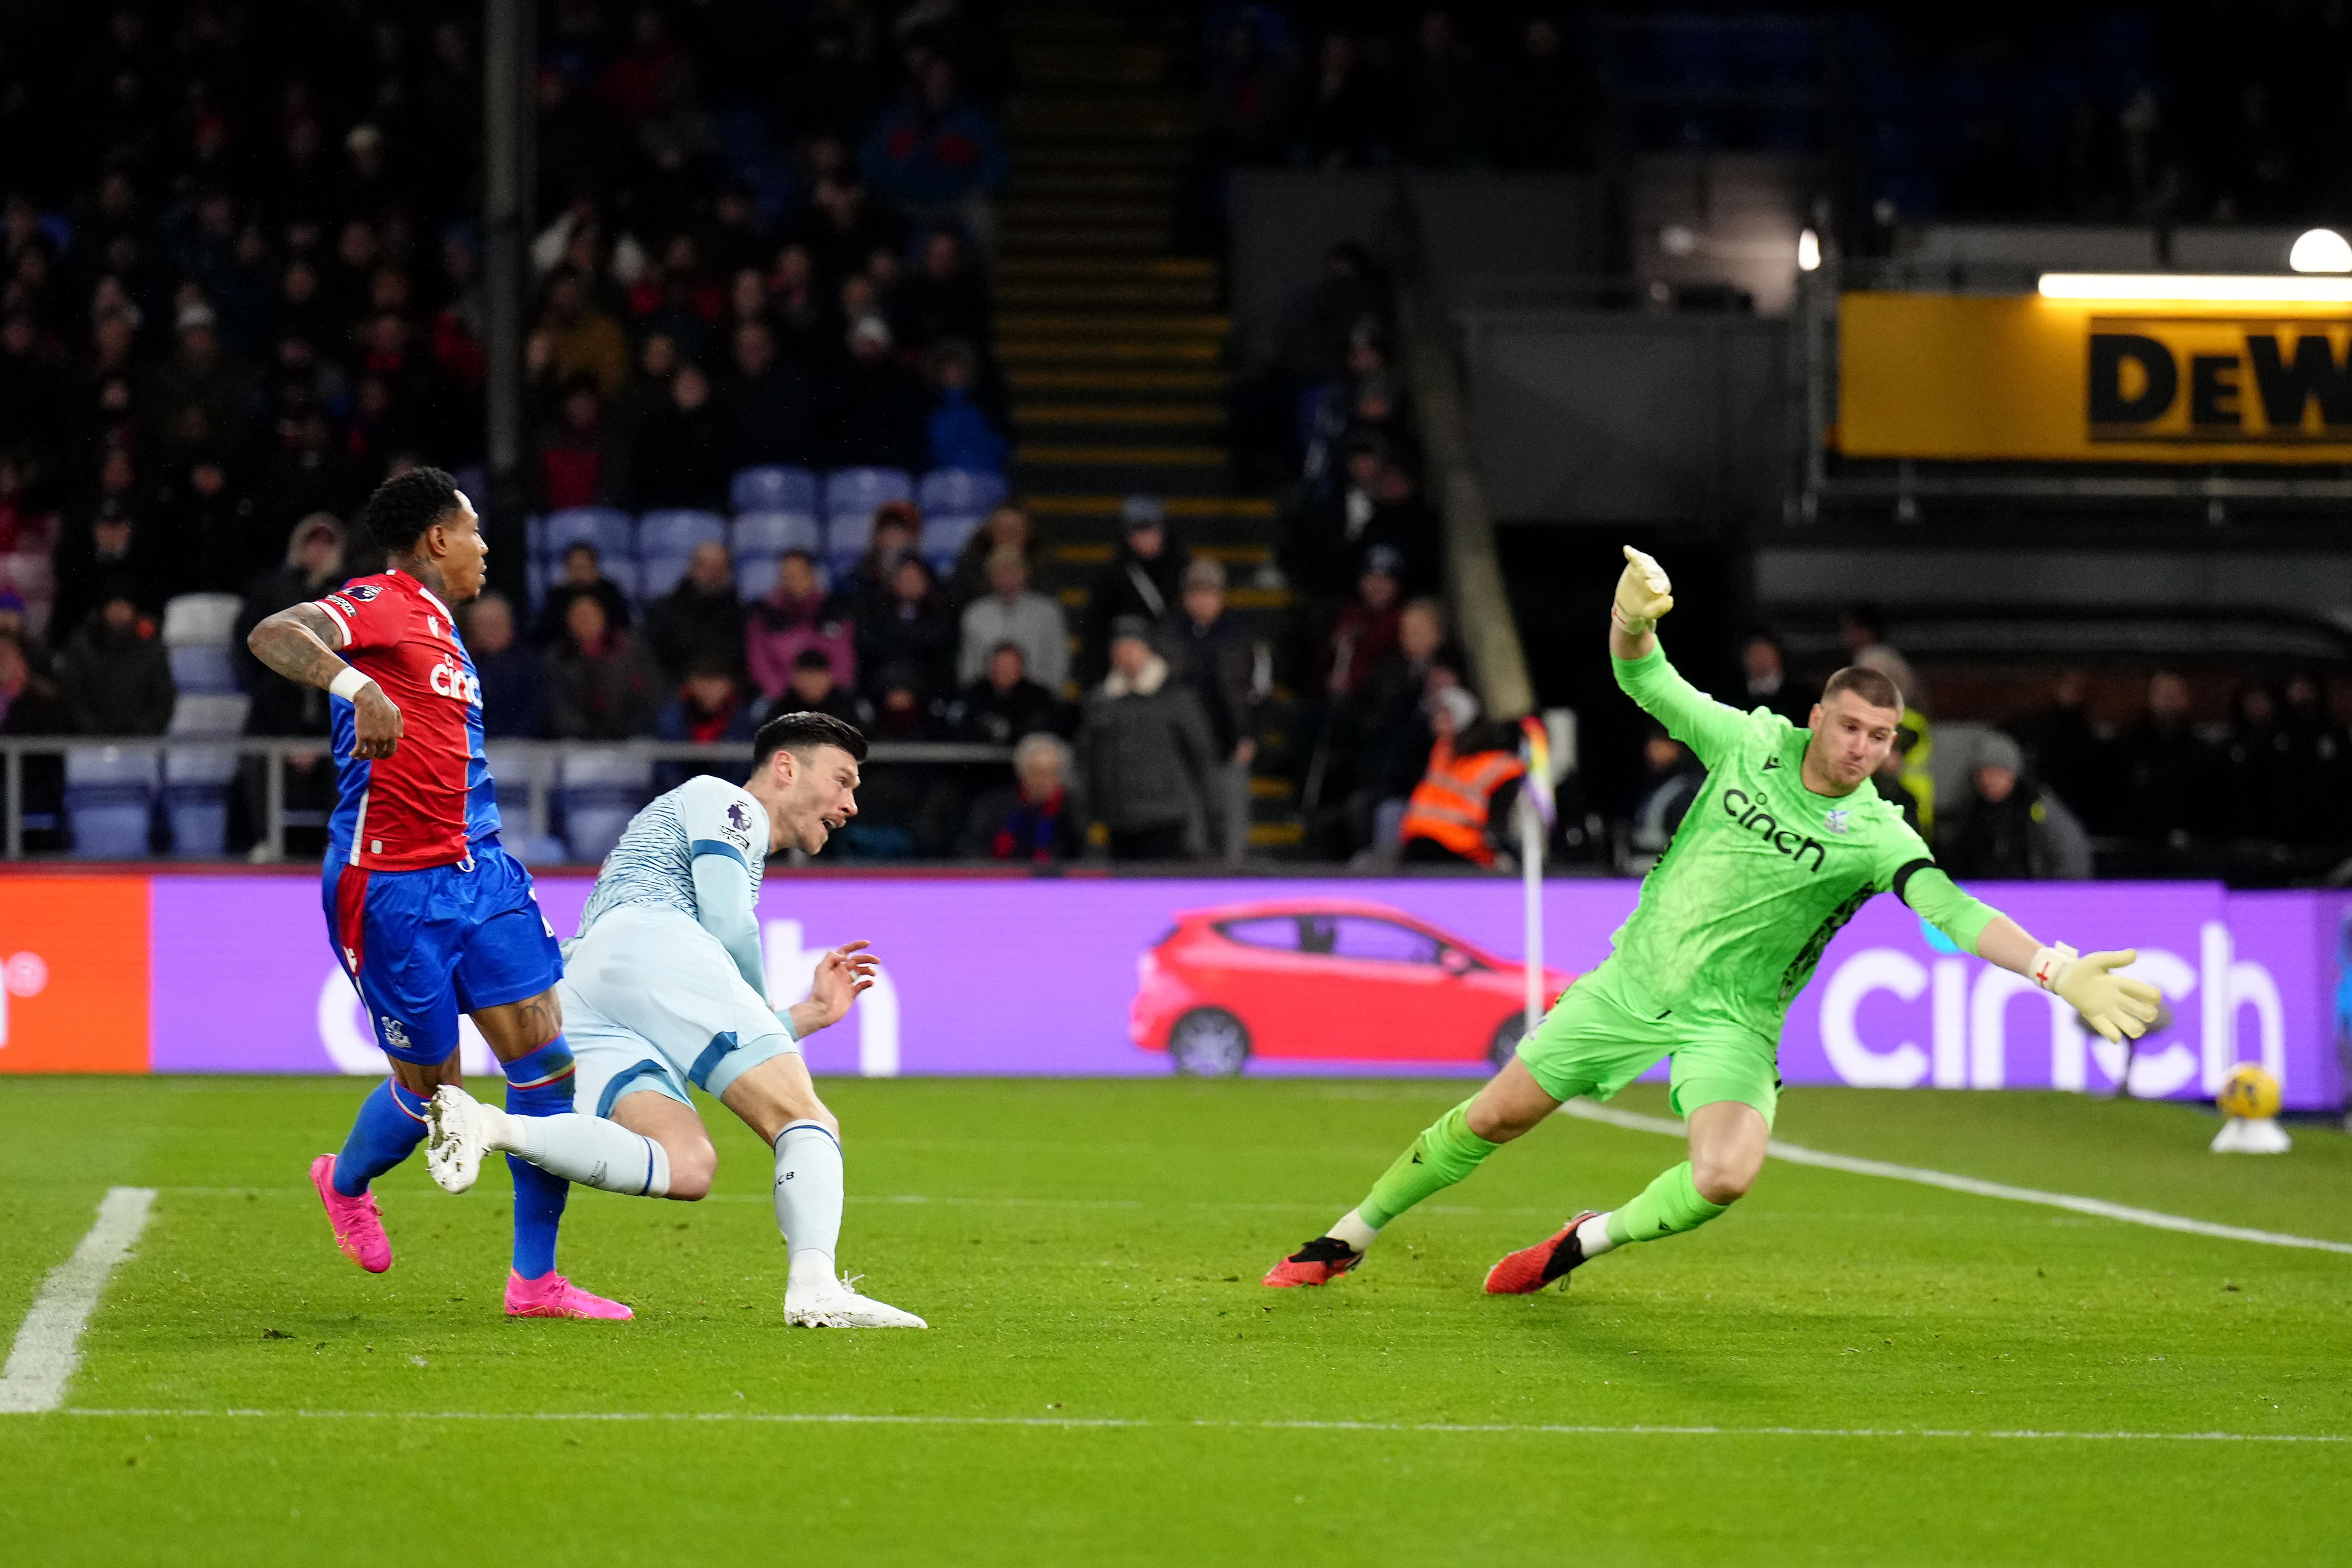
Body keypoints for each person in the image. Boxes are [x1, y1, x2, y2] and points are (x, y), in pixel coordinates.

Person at [1263, 546, 2161, 1295]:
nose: (1862, 748)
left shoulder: (1878, 833)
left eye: (1880, 738)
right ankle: (1350, 1233)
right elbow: (1641, 675)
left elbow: (1949, 908)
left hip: (1732, 1023)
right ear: (1817, 718)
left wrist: (2052, 966)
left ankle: (1583, 1240)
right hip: (1633, 982)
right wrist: (1632, 618)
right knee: (1496, 1117)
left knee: (1724, 1176)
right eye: (1849, 727)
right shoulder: (1747, 741)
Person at [244, 467, 627, 1320]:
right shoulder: (377, 601)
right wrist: (356, 684)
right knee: (434, 1094)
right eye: (475, 531)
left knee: (547, 1070)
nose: (486, 547)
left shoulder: (448, 630)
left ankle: (536, 1280)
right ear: (436, 539)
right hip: (390, 884)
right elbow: (273, 633)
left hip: (480, 872)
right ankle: (343, 1181)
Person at [425, 711, 925, 1328]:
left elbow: (691, 1018)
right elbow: (727, 926)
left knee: (686, 1164)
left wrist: (806, 1015)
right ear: (786, 767)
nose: (851, 804)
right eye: (843, 781)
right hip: (651, 941)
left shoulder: (713, 829)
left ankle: (488, 1126)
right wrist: (766, 1021)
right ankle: (815, 1286)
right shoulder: (727, 803)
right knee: (803, 1116)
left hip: (587, 986)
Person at [1078, 616, 1215, 861]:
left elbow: (1201, 754)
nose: (1127, 655)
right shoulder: (1101, 699)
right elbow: (1088, 755)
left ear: (1147, 651)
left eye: (1134, 647)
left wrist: (1199, 805)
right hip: (1118, 817)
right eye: (1121, 649)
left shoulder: (1176, 697)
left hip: (1167, 816)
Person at [1171, 558, 1259, 864]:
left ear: (1222, 597)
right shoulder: (1170, 635)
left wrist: (1249, 735)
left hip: (1229, 741)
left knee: (1233, 827)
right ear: (1185, 598)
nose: (1203, 600)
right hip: (1183, 747)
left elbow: (1257, 692)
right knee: (1192, 832)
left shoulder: (1240, 636)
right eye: (1196, 593)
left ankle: (1234, 883)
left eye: (1210, 593)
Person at [1939, 732, 2094, 880]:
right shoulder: (1968, 812)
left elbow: (2071, 854)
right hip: (1980, 897)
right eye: (1984, 774)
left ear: (2015, 774)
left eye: (1999, 774)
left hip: (2032, 896)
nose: (1990, 781)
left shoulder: (2037, 808)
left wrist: (2060, 896)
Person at [1398, 692, 1527, 868]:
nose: (1439, 720)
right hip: (1423, 842)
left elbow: (1500, 821)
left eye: (1446, 714)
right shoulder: (1441, 751)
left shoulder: (1499, 764)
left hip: (1461, 848)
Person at [1080, 496, 1186, 683]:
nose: (1145, 538)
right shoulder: (1110, 576)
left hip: (1172, 665)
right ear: (1127, 536)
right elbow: (1095, 631)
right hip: (1124, 670)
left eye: (1151, 530)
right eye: (1138, 532)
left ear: (1163, 532)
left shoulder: (1183, 571)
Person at [548, 592, 665, 740]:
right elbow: (560, 705)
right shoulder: (557, 657)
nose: (585, 620)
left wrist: (626, 732)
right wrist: (584, 734)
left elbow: (649, 696)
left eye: (590, 615)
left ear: (603, 617)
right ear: (569, 623)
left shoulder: (632, 651)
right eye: (578, 616)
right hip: (580, 740)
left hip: (629, 737)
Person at [746, 550, 857, 704]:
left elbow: (844, 660)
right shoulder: (764, 615)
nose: (792, 581)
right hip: (781, 698)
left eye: (798, 575)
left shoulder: (834, 611)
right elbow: (760, 662)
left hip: (830, 696)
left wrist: (822, 687)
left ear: (813, 576)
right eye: (786, 576)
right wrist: (784, 691)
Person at [57, 591, 174, 735]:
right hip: (90, 743)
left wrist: (139, 731)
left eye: (124, 605)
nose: (119, 612)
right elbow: (73, 697)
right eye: (113, 605)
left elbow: (163, 699)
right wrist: (94, 731)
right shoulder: (82, 646)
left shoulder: (152, 647)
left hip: (140, 744)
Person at [957, 546, 1067, 693]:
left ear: (1025, 573)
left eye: (1012, 570)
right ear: (991, 576)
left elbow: (1057, 660)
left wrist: (1049, 698)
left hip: (1037, 699)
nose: (1007, 577)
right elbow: (969, 665)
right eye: (1000, 572)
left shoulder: (1047, 611)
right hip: (988, 699)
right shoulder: (975, 613)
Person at [959, 731, 1083, 862]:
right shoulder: (994, 808)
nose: (1041, 781)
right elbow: (971, 850)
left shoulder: (1075, 813)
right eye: (1036, 773)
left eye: (1049, 774)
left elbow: (1089, 857)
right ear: (1022, 773)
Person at [644, 539, 745, 682]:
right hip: (675, 693)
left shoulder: (739, 614)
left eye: (718, 568)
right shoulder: (664, 610)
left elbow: (742, 663)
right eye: (705, 566)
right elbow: (652, 662)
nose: (711, 574)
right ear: (692, 568)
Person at [947, 642, 1072, 744]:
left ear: (1021, 669)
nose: (1003, 672)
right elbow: (960, 727)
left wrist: (1011, 732)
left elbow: (1045, 731)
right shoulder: (974, 693)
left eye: (1009, 666)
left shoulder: (1038, 696)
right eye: (999, 666)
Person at [463, 591, 547, 740]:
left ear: (510, 625)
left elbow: (537, 711)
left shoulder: (531, 663)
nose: (490, 631)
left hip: (527, 748)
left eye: (495, 624)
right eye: (482, 625)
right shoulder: (464, 665)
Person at [1623, 724, 1705, 872]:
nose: (1651, 749)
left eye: (1660, 743)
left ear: (1678, 747)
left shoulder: (1686, 791)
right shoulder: (1657, 784)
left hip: (1663, 877)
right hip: (1643, 876)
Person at [533, 540, 632, 644]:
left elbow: (623, 626)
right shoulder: (557, 595)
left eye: (583, 567)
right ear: (567, 569)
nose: (579, 573)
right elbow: (545, 632)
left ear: (594, 566)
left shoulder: (610, 591)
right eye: (575, 567)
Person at [1738, 629, 1812, 728]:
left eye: (1764, 652)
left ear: (1777, 655)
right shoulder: (1733, 696)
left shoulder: (1803, 698)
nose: (1759, 658)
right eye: (1753, 652)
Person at [780, 647, 865, 726]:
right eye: (808, 679)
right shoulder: (783, 711)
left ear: (829, 678)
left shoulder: (846, 707)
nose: (813, 685)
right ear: (795, 679)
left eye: (818, 679)